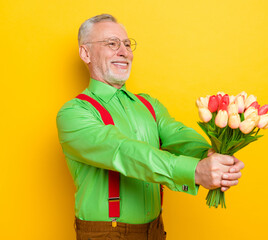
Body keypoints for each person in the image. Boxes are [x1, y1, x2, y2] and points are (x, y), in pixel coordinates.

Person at [56, 13, 244, 240]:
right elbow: (123, 152)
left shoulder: (148, 104)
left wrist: (211, 156)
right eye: (112, 44)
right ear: (85, 53)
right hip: (107, 234)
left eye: (127, 44)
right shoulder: (74, 113)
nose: (124, 52)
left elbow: (178, 135)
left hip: (155, 229)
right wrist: (195, 171)